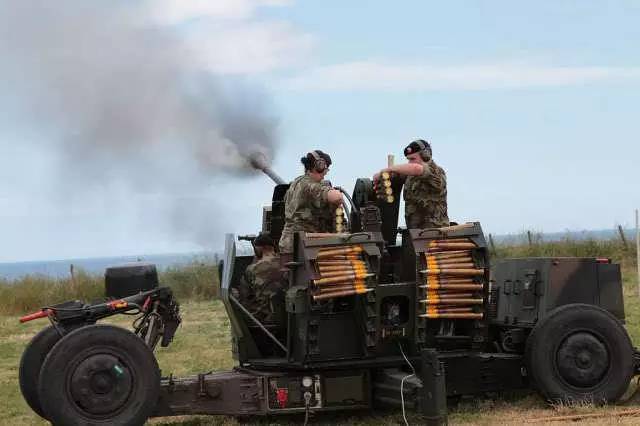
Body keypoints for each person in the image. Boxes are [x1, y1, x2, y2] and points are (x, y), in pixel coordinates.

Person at [278, 150, 343, 254]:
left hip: (288, 244)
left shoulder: (296, 183)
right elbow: (337, 197)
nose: (325, 174)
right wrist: (332, 192)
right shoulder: (310, 186)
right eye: (325, 170)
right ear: (319, 166)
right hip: (304, 246)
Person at [374, 139, 449, 229]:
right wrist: (380, 175)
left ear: (426, 156)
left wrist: (390, 169)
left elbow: (417, 168)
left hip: (435, 233)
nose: (410, 162)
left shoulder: (435, 171)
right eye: (408, 159)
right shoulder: (410, 176)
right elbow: (386, 176)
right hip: (415, 233)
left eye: (413, 159)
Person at [241, 233, 284, 323]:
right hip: (286, 316)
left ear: (261, 248)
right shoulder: (285, 263)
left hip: (264, 318)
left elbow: (245, 296)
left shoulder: (252, 269)